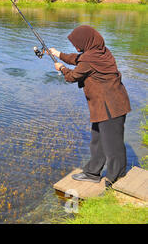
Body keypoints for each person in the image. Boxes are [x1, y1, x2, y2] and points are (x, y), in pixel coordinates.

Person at [49, 25, 131, 188]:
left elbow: (73, 76)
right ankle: (92, 173)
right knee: (98, 140)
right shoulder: (101, 51)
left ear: (85, 40)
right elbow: (78, 58)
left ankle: (117, 178)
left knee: (113, 145)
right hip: (110, 104)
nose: (76, 46)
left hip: (110, 107)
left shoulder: (89, 59)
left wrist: (62, 68)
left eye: (77, 43)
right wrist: (58, 54)